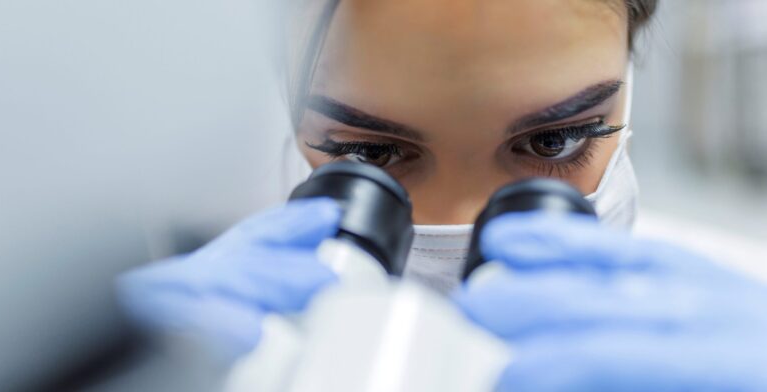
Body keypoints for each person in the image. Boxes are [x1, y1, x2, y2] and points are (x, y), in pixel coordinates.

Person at [118, 1, 767, 390]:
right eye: (368, 156)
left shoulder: (734, 336)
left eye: (554, 143)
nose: (464, 229)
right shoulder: (193, 342)